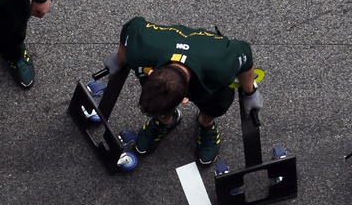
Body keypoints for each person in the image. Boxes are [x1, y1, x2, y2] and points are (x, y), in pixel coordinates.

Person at [103, 17, 260, 166]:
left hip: (208, 56)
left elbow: (244, 51)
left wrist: (250, 93)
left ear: (184, 99)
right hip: (169, 52)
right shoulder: (142, 44)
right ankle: (165, 120)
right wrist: (119, 58)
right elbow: (131, 27)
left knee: (217, 103)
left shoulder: (222, 64)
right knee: (161, 100)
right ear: (151, 73)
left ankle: (206, 124)